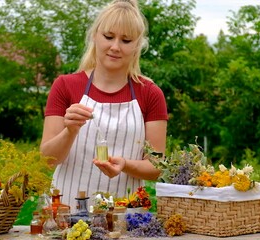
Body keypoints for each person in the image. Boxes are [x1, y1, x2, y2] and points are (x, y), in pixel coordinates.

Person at [40, 0, 167, 211]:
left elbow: (156, 168)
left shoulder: (150, 93)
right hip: (65, 212)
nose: (115, 47)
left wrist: (125, 165)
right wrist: (70, 131)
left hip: (126, 216)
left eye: (126, 40)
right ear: (94, 35)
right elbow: (46, 161)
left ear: (137, 45)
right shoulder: (66, 86)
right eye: (108, 37)